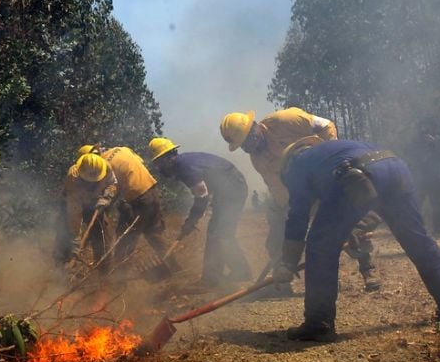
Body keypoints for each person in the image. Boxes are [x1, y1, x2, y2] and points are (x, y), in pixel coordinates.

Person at [272, 137, 440, 341]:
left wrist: (287, 263)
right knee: (417, 239)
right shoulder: (332, 150)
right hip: (395, 167)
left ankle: (318, 323)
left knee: (320, 246)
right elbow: (374, 196)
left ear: (288, 164)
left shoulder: (297, 167)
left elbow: (298, 217)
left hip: (353, 176)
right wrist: (356, 229)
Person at [220, 107, 381, 291]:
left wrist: (330, 157)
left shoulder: (286, 120)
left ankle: (369, 270)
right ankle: (283, 280)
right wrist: (293, 217)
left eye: (247, 140)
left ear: (255, 127)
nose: (247, 147)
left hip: (324, 178)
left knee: (349, 224)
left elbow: (326, 125)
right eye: (242, 146)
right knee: (276, 236)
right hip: (297, 193)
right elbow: (279, 190)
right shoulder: (257, 160)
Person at [149, 137, 251, 286]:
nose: (158, 168)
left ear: (168, 159)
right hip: (229, 186)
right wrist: (191, 221)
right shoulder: (181, 164)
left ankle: (217, 276)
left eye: (159, 163)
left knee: (219, 232)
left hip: (233, 187)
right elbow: (204, 192)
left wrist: (190, 222)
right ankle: (233, 272)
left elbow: (202, 197)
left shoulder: (184, 168)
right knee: (220, 232)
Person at [75, 147, 179, 271]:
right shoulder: (121, 149)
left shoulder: (104, 165)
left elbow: (111, 189)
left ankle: (119, 280)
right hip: (153, 192)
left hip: (139, 201)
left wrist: (104, 205)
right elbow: (136, 164)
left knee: (124, 242)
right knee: (153, 234)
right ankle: (176, 268)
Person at [54, 155, 117, 271]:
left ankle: (103, 271)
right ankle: (62, 270)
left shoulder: (105, 167)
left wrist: (107, 196)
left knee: (102, 235)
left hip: (95, 203)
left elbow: (112, 184)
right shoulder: (73, 179)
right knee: (66, 234)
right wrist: (76, 240)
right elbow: (74, 213)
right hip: (72, 204)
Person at [406, 118, 440, 236]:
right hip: (419, 179)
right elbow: (410, 155)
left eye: (429, 126)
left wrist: (433, 143)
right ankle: (415, 228)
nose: (426, 129)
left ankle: (437, 230)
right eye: (424, 127)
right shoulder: (416, 142)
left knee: (436, 205)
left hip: (435, 178)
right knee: (416, 204)